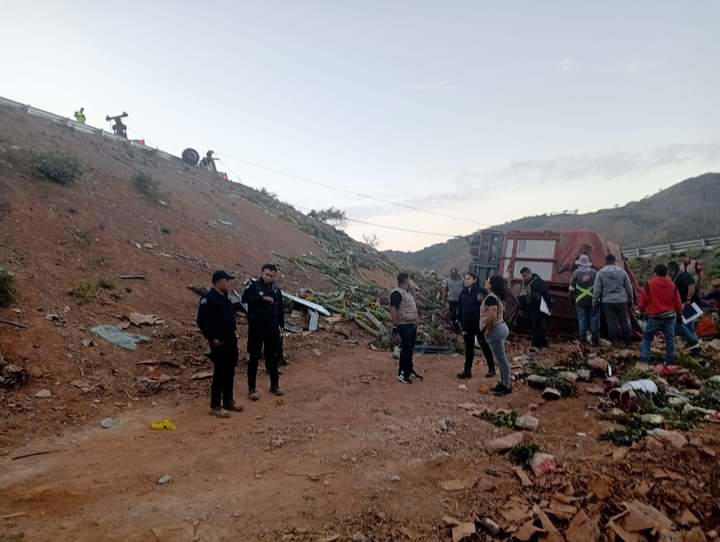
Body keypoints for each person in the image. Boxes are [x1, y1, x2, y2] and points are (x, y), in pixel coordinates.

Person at [196, 270, 244, 418]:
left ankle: (228, 401)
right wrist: (212, 338)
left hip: (230, 339)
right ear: (219, 282)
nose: (229, 284)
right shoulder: (208, 299)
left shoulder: (225, 298)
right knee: (220, 374)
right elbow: (202, 321)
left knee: (230, 371)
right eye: (227, 281)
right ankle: (215, 406)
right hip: (219, 342)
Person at [242, 264, 285, 399]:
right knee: (254, 357)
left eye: (272, 276)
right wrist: (261, 298)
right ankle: (252, 388)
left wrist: (281, 326)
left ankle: (274, 385)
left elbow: (280, 310)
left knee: (273, 356)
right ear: (262, 273)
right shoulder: (253, 287)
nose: (269, 277)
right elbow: (244, 299)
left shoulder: (276, 290)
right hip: (256, 327)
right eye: (267, 275)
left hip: (272, 328)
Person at [638, 264, 682, 366]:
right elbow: (677, 301)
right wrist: (679, 314)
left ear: (655, 273)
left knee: (647, 337)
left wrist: (641, 311)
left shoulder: (650, 283)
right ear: (666, 273)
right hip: (670, 315)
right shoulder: (672, 284)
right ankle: (669, 360)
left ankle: (644, 360)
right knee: (670, 338)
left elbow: (644, 299)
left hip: (655, 316)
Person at [457, 273, 495, 379]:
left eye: (468, 279)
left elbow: (489, 307)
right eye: (465, 279)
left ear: (474, 280)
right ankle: (467, 371)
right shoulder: (463, 293)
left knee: (484, 345)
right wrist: (459, 321)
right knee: (468, 348)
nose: (466, 281)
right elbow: (460, 308)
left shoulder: (481, 292)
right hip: (467, 325)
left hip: (479, 324)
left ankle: (492, 369)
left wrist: (487, 323)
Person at [389, 272, 423, 384]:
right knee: (406, 349)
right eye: (409, 280)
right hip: (404, 325)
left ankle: (409, 369)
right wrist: (395, 326)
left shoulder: (407, 293)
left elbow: (416, 290)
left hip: (411, 325)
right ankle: (402, 373)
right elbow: (393, 309)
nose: (411, 282)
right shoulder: (397, 293)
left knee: (410, 349)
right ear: (406, 280)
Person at [593, 254, 634, 345]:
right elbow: (629, 287)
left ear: (606, 261)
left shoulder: (601, 273)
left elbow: (597, 289)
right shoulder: (622, 272)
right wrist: (631, 300)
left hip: (607, 302)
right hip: (622, 300)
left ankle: (615, 342)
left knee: (611, 323)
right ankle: (628, 341)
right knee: (624, 321)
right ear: (614, 261)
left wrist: (595, 302)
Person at [481, 276, 511, 396]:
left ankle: (506, 385)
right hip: (501, 327)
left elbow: (492, 316)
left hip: (496, 330)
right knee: (500, 358)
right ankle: (504, 383)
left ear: (492, 284)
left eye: (488, 281)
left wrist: (488, 330)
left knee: (501, 359)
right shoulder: (495, 296)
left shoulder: (491, 298)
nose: (486, 282)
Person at [668, 260, 701, 352]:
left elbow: (691, 286)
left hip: (691, 304)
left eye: (668, 271)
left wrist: (688, 299)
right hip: (686, 304)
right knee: (688, 326)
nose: (668, 273)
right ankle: (695, 349)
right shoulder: (676, 277)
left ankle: (694, 344)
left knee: (682, 324)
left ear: (672, 270)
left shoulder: (683, 275)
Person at [569, 255, 599, 345]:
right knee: (594, 320)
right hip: (593, 300)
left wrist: (571, 300)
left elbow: (571, 289)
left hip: (580, 301)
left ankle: (582, 340)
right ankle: (595, 339)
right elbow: (598, 287)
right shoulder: (594, 273)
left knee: (582, 320)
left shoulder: (575, 273)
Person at [519, 267, 551, 349]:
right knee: (535, 325)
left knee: (537, 325)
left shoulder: (538, 282)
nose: (524, 278)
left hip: (539, 307)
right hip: (531, 307)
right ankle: (544, 343)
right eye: (523, 276)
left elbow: (546, 294)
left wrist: (549, 307)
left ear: (529, 273)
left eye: (525, 276)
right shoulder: (527, 283)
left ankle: (535, 345)